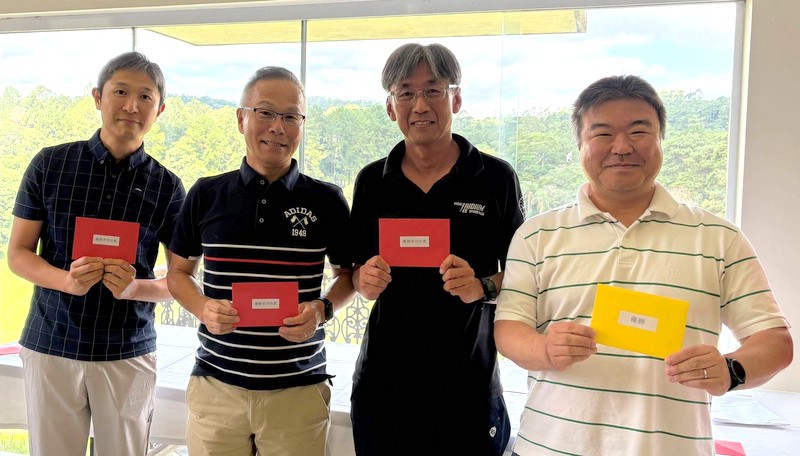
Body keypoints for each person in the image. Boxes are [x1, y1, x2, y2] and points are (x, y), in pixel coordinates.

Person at [494, 74, 794, 455]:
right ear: (580, 144)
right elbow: (509, 329)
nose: (621, 147)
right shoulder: (536, 235)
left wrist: (731, 370)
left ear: (660, 140)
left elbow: (775, 340)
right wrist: (544, 349)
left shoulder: (718, 237)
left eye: (639, 131)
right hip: (548, 446)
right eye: (602, 133)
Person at [166, 66, 355, 456]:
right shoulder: (206, 194)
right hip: (218, 386)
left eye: (291, 116)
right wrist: (203, 307)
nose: (278, 127)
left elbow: (348, 276)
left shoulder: (327, 200)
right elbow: (178, 273)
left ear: (302, 124)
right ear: (241, 118)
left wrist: (321, 310)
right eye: (265, 112)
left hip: (298, 390)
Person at [349, 42, 524, 455]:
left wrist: (483, 284)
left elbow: (524, 272)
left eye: (433, 90)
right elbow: (354, 272)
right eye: (405, 92)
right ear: (391, 107)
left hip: (468, 384)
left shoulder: (495, 178)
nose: (420, 105)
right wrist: (364, 280)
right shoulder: (373, 181)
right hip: (384, 384)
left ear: (456, 98)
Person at [7, 51, 185, 456]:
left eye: (145, 97)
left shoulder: (168, 187)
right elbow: (18, 253)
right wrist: (65, 279)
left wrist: (135, 287)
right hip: (51, 342)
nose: (131, 106)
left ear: (160, 108)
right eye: (120, 91)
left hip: (127, 351)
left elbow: (178, 281)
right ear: (97, 97)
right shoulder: (50, 164)